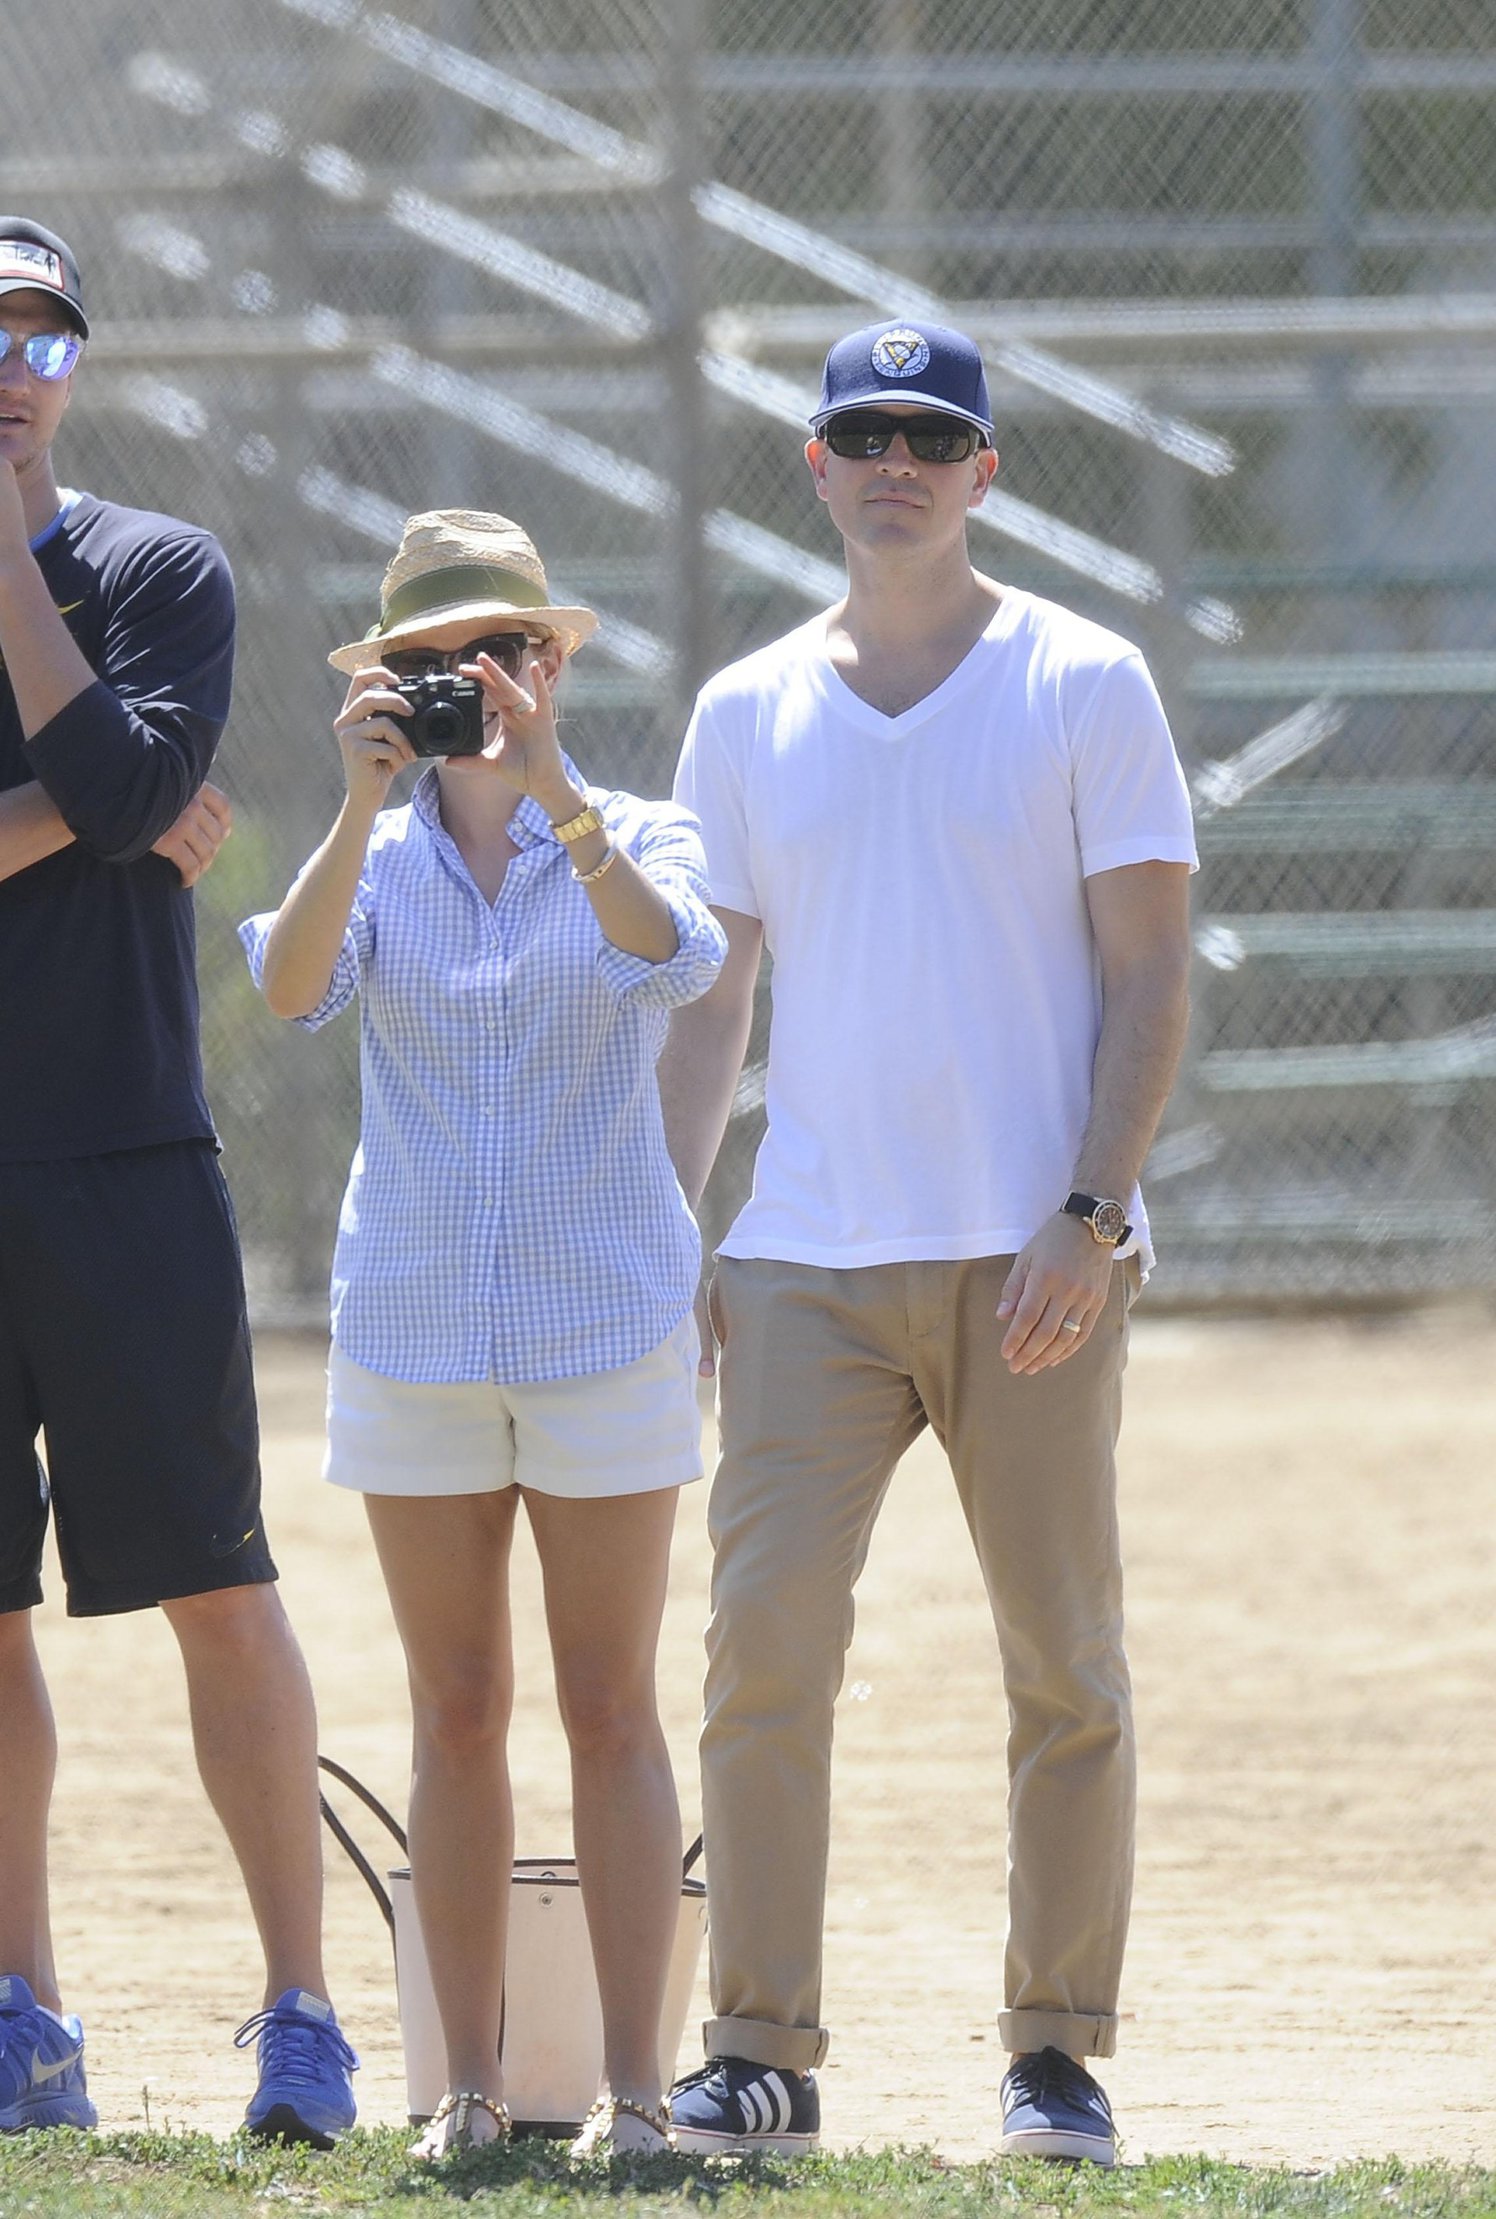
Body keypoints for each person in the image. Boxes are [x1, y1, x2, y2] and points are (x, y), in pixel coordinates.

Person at [658, 319, 1198, 2167]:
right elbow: (715, 1006)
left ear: (987, 471)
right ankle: (758, 2052)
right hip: (804, 1255)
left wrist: (1086, 1210)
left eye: (932, 434)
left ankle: (1055, 2055)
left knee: (1064, 1663)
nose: (897, 458)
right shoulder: (741, 709)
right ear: (812, 465)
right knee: (760, 1645)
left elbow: (1150, 971)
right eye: (862, 431)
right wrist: (683, 1230)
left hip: (1033, 1257)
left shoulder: (1084, 677)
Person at [239, 510, 727, 2160]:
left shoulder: (640, 830)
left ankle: (641, 2099)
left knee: (613, 1709)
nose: (479, 682)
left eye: (507, 650)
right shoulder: (367, 860)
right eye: (439, 661)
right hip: (423, 1328)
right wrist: (360, 796)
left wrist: (556, 792)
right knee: (453, 1710)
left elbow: (676, 961)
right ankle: (460, 2090)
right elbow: (291, 994)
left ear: (555, 661)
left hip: (602, 1322)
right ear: (387, 680)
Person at [0, 216, 358, 2143]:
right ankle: (20, 2019)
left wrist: (7, 574)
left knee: (219, 1586)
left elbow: (157, 800)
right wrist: (99, 805)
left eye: (40, 339)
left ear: (76, 370)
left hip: (125, 1150)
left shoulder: (156, 567)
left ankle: (302, 2010)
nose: (8, 368)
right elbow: (133, 799)